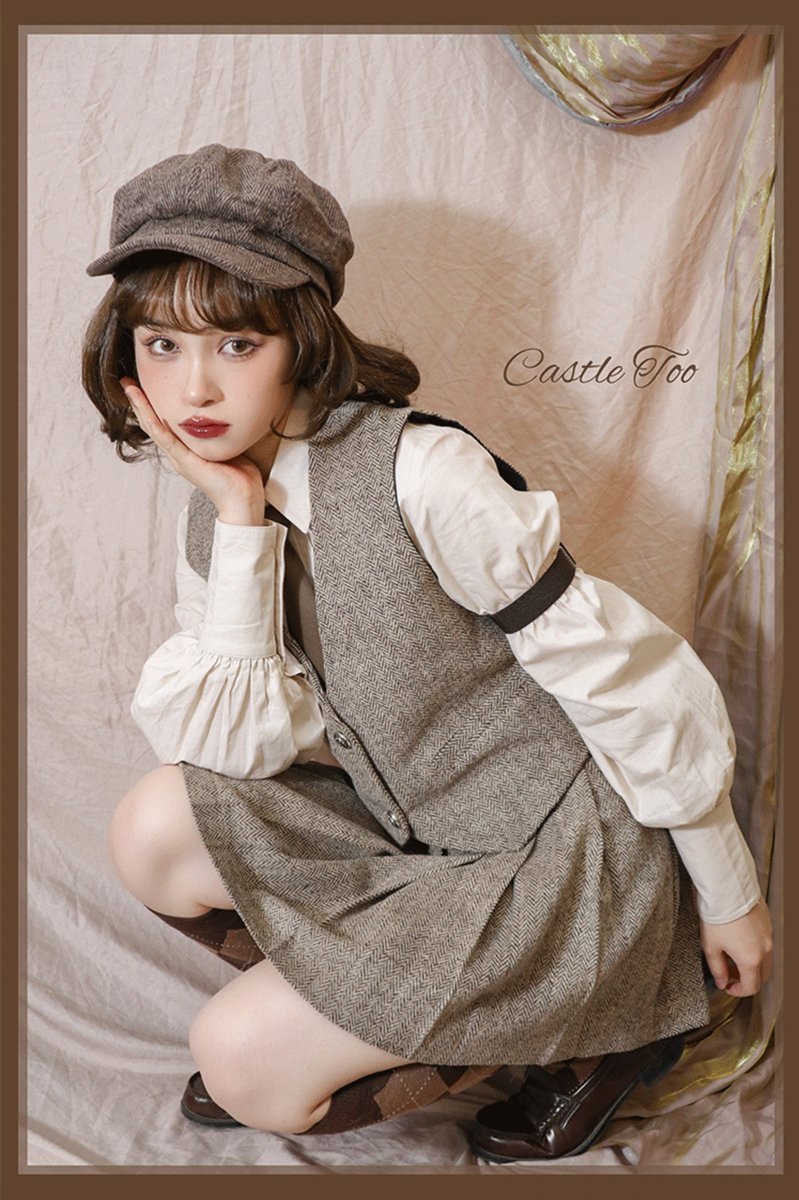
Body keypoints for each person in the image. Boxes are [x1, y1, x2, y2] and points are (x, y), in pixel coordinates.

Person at [81, 144, 772, 1162]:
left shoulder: (424, 471)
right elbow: (235, 751)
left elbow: (628, 674)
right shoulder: (215, 512)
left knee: (241, 1064)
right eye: (161, 345)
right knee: (154, 826)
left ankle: (608, 1034)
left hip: (560, 861)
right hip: (421, 833)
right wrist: (237, 522)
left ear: (300, 339)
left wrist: (728, 892)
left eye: (236, 343)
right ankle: (351, 1013)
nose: (195, 387)